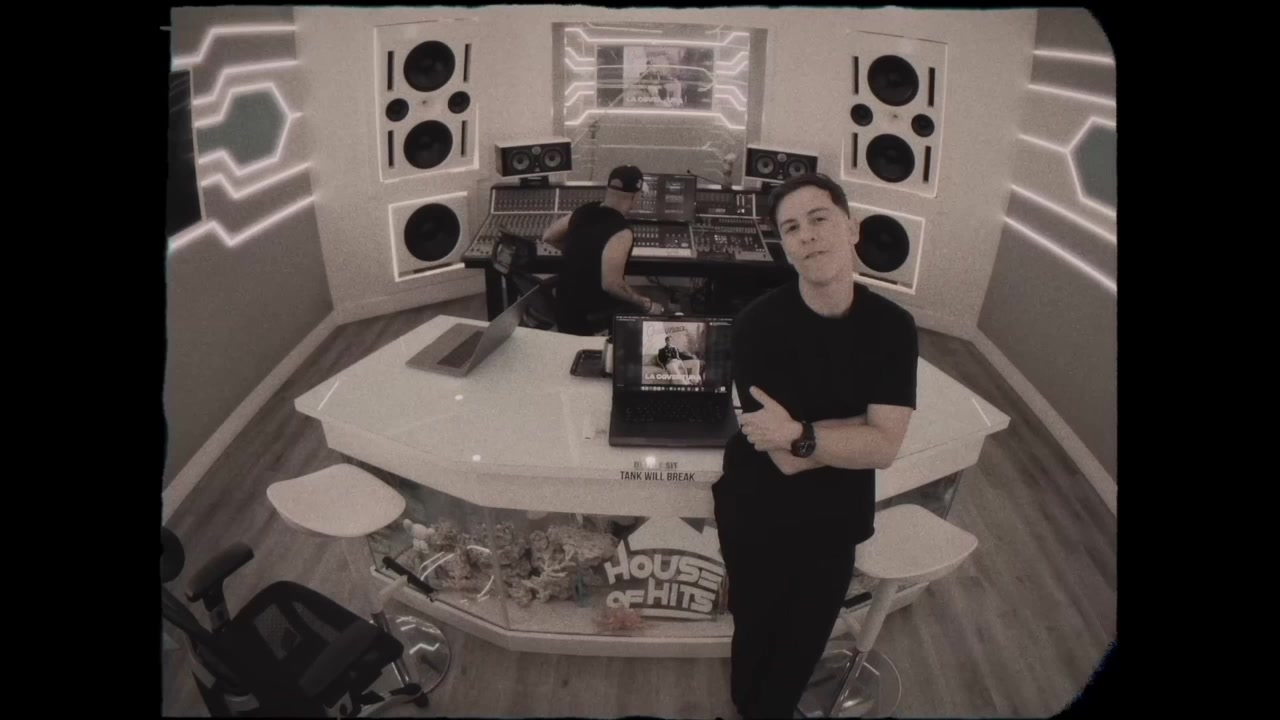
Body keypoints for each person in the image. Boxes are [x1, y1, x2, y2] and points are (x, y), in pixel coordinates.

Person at [712, 173, 918, 719]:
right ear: (784, 246)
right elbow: (783, 460)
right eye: (791, 228)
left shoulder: (894, 327)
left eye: (819, 218)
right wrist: (858, 427)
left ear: (851, 228)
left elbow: (884, 448)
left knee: (805, 640)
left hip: (834, 520)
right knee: (754, 629)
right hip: (756, 512)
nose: (806, 235)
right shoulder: (755, 325)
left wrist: (801, 432)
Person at [542, 164, 665, 335]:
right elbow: (612, 285)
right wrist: (647, 305)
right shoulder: (621, 232)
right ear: (636, 196)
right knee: (652, 305)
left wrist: (580, 254)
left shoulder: (583, 211)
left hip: (564, 311)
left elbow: (549, 236)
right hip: (590, 320)